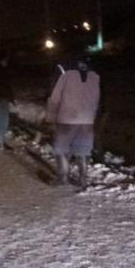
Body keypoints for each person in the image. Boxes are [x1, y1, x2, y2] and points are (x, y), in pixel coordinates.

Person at [45, 51, 100, 187]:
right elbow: (97, 96)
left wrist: (51, 117)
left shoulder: (62, 68)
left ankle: (62, 178)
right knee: (83, 149)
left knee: (61, 148)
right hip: (87, 119)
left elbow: (55, 96)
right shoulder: (94, 72)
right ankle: (83, 179)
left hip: (67, 117)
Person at [0, 55, 15, 151]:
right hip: (2, 99)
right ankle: (0, 143)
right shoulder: (2, 71)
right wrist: (11, 97)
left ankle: (0, 142)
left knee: (1, 120)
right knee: (3, 121)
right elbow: (6, 87)